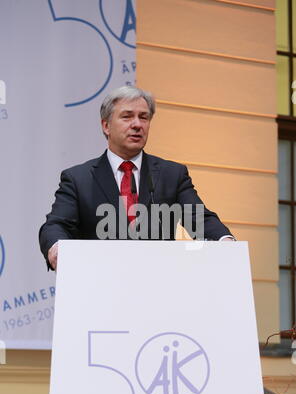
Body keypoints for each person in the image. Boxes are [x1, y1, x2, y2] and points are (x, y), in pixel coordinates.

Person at [39, 86, 234, 270]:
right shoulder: (78, 179)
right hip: (99, 284)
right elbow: (56, 225)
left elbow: (199, 219)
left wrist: (224, 240)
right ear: (106, 126)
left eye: (144, 117)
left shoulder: (171, 174)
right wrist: (56, 247)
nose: (137, 125)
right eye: (127, 117)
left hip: (158, 283)